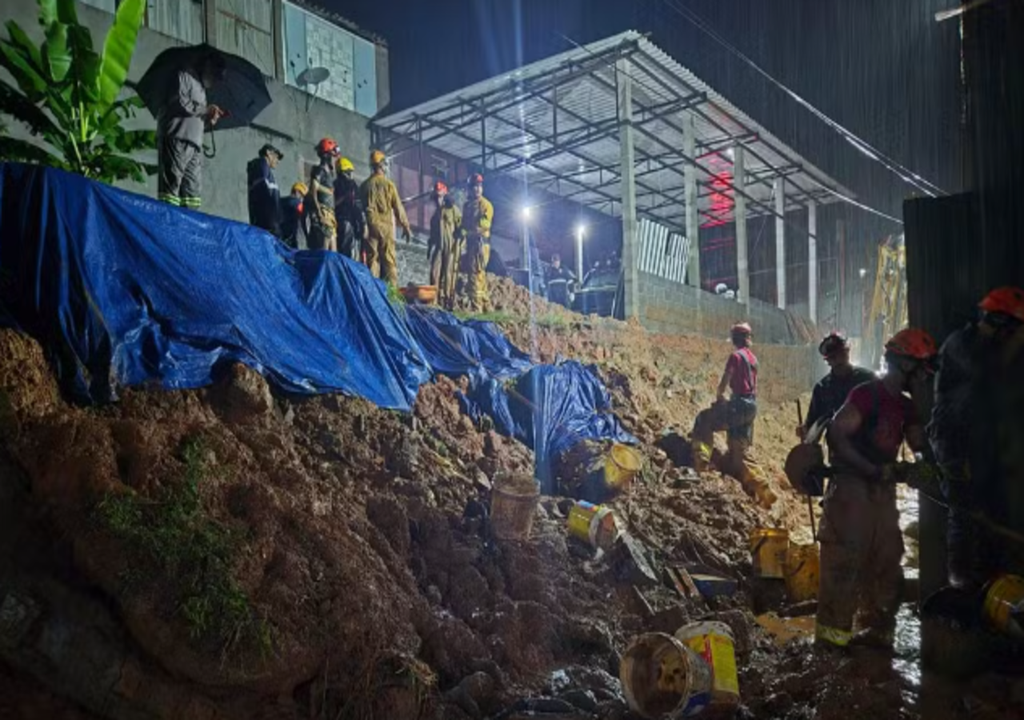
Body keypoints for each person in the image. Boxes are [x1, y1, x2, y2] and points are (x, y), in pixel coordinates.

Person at [816, 328, 936, 650]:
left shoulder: (906, 406)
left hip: (880, 496)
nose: (924, 378)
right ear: (903, 365)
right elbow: (837, 436)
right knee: (844, 567)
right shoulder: (867, 395)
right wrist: (872, 469)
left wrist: (926, 465)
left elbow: (917, 443)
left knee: (885, 564)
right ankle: (830, 651)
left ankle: (875, 642)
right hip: (850, 492)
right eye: (921, 370)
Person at [928, 287, 1024, 588]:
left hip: (980, 443)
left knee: (988, 516)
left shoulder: (986, 345)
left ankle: (990, 588)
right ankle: (961, 587)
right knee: (964, 514)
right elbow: (988, 376)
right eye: (1012, 330)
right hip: (953, 444)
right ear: (997, 322)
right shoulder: (961, 344)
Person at [690, 323, 776, 507]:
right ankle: (762, 486)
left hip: (738, 404)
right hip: (751, 406)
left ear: (735, 338)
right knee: (739, 451)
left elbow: (724, 382)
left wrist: (720, 397)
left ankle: (702, 463)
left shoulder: (735, 357)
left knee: (703, 420)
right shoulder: (753, 359)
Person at [156, 50, 226, 210]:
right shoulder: (183, 75)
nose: (215, 82)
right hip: (176, 138)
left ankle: (188, 227)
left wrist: (209, 120)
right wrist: (205, 110)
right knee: (171, 189)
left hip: (195, 145)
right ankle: (167, 223)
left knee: (192, 193)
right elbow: (179, 103)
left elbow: (196, 116)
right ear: (207, 66)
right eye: (214, 76)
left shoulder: (202, 89)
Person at [798, 332, 876, 440]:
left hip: (868, 448)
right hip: (838, 450)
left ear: (848, 352)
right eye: (833, 357)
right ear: (828, 361)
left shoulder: (868, 380)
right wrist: (805, 430)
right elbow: (813, 427)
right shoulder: (822, 388)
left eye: (841, 354)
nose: (839, 360)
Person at [360, 149, 411, 285]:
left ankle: (372, 292)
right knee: (389, 261)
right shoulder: (389, 185)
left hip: (371, 227)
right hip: (386, 227)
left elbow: (358, 208)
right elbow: (398, 208)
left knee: (373, 260)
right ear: (382, 165)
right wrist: (406, 226)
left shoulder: (364, 186)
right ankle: (392, 294)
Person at [461, 173, 494, 312]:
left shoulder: (486, 205)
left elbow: (484, 225)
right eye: (474, 186)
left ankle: (477, 308)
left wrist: (469, 232)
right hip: (471, 244)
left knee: (475, 273)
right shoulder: (467, 206)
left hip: (480, 244)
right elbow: (463, 225)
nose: (477, 189)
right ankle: (487, 307)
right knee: (478, 275)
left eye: (479, 186)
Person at [427, 181, 462, 309]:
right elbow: (432, 234)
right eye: (436, 197)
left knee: (448, 273)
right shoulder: (435, 216)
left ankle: (448, 300)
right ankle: (434, 299)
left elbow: (460, 225)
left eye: (439, 196)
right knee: (434, 272)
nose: (437, 199)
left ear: (445, 195)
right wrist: (430, 246)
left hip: (451, 246)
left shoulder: (453, 210)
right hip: (438, 246)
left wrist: (460, 233)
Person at [307, 138, 340, 251]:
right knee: (324, 250)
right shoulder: (319, 170)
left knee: (333, 252)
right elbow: (313, 191)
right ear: (327, 155)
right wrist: (319, 213)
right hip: (324, 212)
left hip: (330, 214)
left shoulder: (329, 173)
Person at [247, 144, 283, 236]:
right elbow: (263, 192)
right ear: (268, 153)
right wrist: (272, 225)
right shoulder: (261, 164)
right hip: (267, 226)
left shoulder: (265, 170)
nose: (277, 161)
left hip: (268, 225)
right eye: (277, 156)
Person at [334, 156, 364, 261]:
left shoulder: (333, 184)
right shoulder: (351, 185)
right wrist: (361, 224)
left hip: (336, 222)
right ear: (347, 172)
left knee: (339, 250)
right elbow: (357, 206)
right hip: (348, 222)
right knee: (348, 254)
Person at [279, 182, 306, 249]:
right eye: (302, 196)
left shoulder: (280, 201)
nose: (302, 199)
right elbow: (303, 215)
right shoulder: (298, 203)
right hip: (290, 238)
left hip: (278, 236)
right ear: (297, 192)